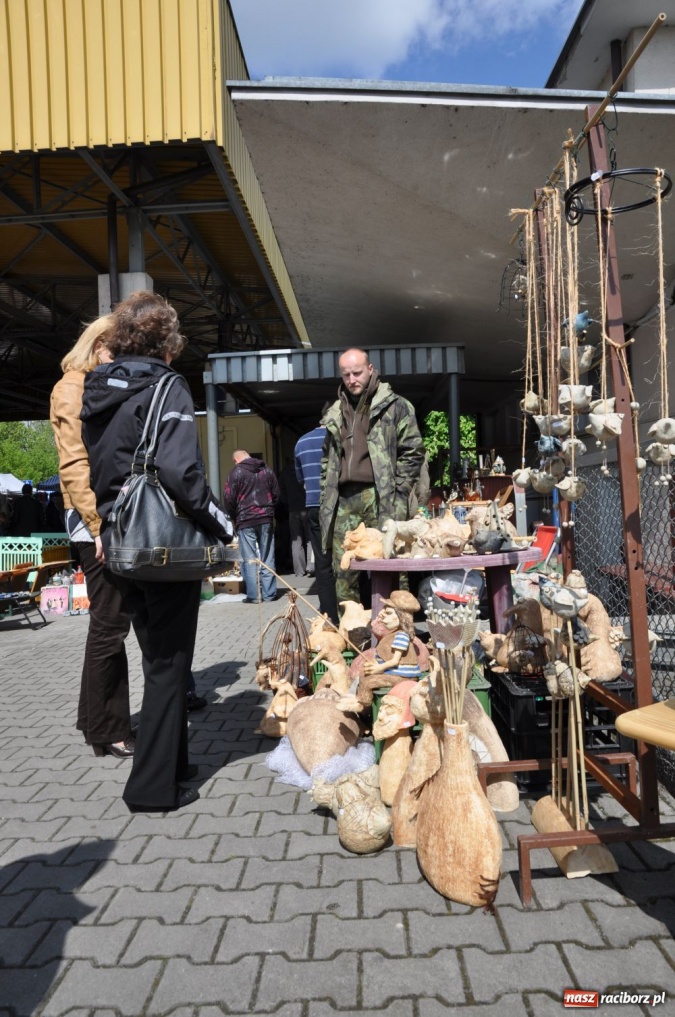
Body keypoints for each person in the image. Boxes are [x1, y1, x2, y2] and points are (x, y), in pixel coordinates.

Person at [81, 291, 233, 813]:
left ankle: (177, 765)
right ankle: (150, 789)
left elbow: (100, 467)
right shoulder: (167, 385)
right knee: (169, 666)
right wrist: (221, 523)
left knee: (158, 659)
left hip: (120, 542)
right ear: (166, 342)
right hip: (163, 547)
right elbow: (182, 475)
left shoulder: (98, 388)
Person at [50, 316, 136, 759]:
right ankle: (108, 728)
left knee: (109, 621)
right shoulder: (71, 387)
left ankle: (95, 721)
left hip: (98, 518)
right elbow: (74, 465)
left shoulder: (93, 382)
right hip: (91, 522)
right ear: (100, 343)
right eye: (117, 348)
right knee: (110, 622)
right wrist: (99, 525)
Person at [320, 348, 425, 606]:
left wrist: (400, 492)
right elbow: (327, 458)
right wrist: (326, 491)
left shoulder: (396, 406)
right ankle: (352, 636)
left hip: (382, 497)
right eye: (346, 375)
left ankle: (399, 633)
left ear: (370, 369)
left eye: (357, 373)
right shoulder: (336, 411)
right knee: (344, 569)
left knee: (391, 564)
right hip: (343, 499)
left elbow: (413, 450)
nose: (352, 379)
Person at [294, 408, 339, 624]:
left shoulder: (301, 443)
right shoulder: (340, 438)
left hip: (313, 505)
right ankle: (348, 610)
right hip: (338, 506)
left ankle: (329, 615)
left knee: (322, 563)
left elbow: (301, 480)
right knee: (345, 560)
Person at [223, 450, 279, 604]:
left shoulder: (236, 472)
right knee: (268, 556)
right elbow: (276, 493)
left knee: (249, 558)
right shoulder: (266, 469)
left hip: (245, 519)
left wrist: (235, 516)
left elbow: (228, 498)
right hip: (266, 516)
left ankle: (254, 596)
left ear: (236, 460)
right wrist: (269, 510)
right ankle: (269, 594)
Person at [278, 460, 312, 578]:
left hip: (292, 509)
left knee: (296, 541)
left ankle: (299, 570)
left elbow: (281, 493)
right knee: (310, 539)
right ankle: (311, 567)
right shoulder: (305, 470)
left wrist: (287, 502)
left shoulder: (284, 473)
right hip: (307, 507)